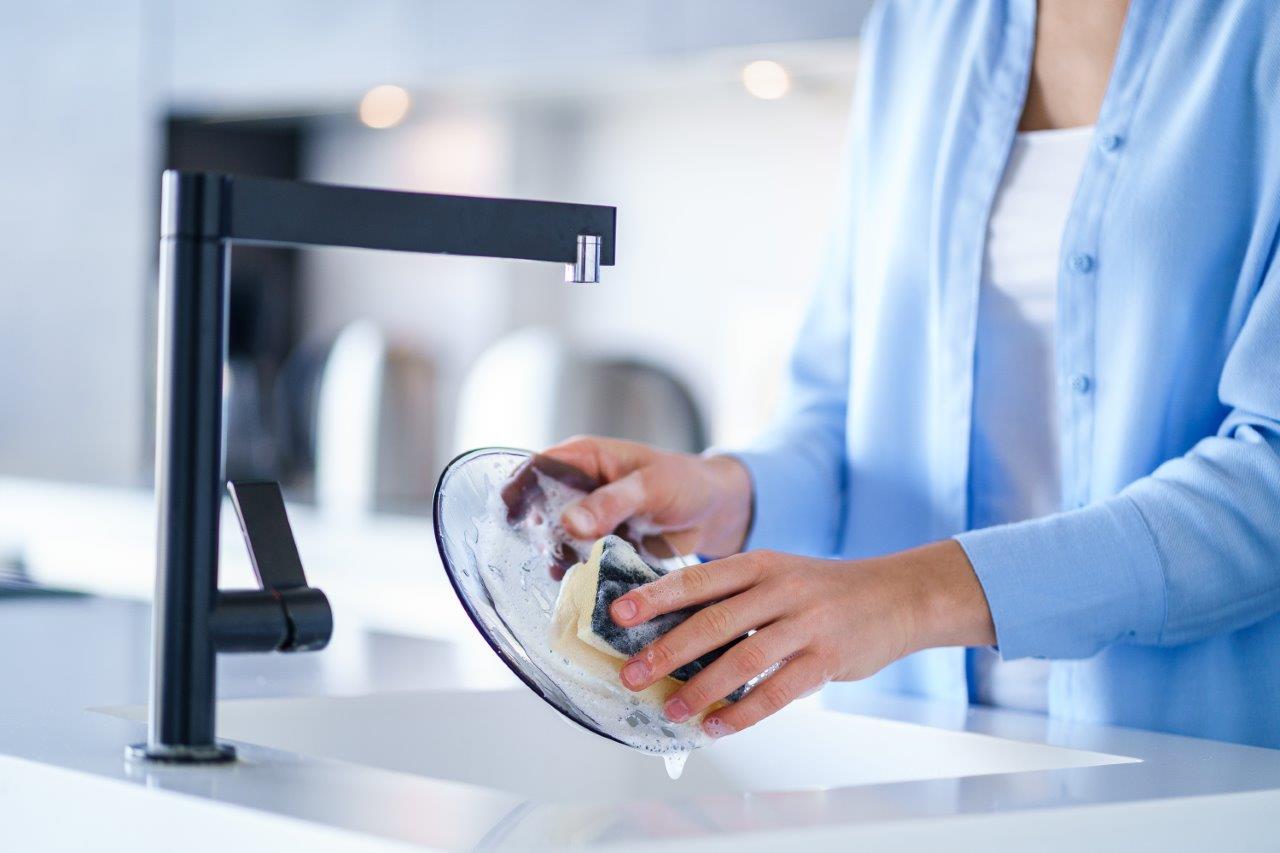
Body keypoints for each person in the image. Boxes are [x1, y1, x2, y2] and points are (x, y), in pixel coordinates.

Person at [540, 0, 1280, 748]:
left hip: (1192, 764)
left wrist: (910, 595)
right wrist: (728, 493)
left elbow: (1270, 474)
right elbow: (840, 411)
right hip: (914, 743)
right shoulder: (920, 28)